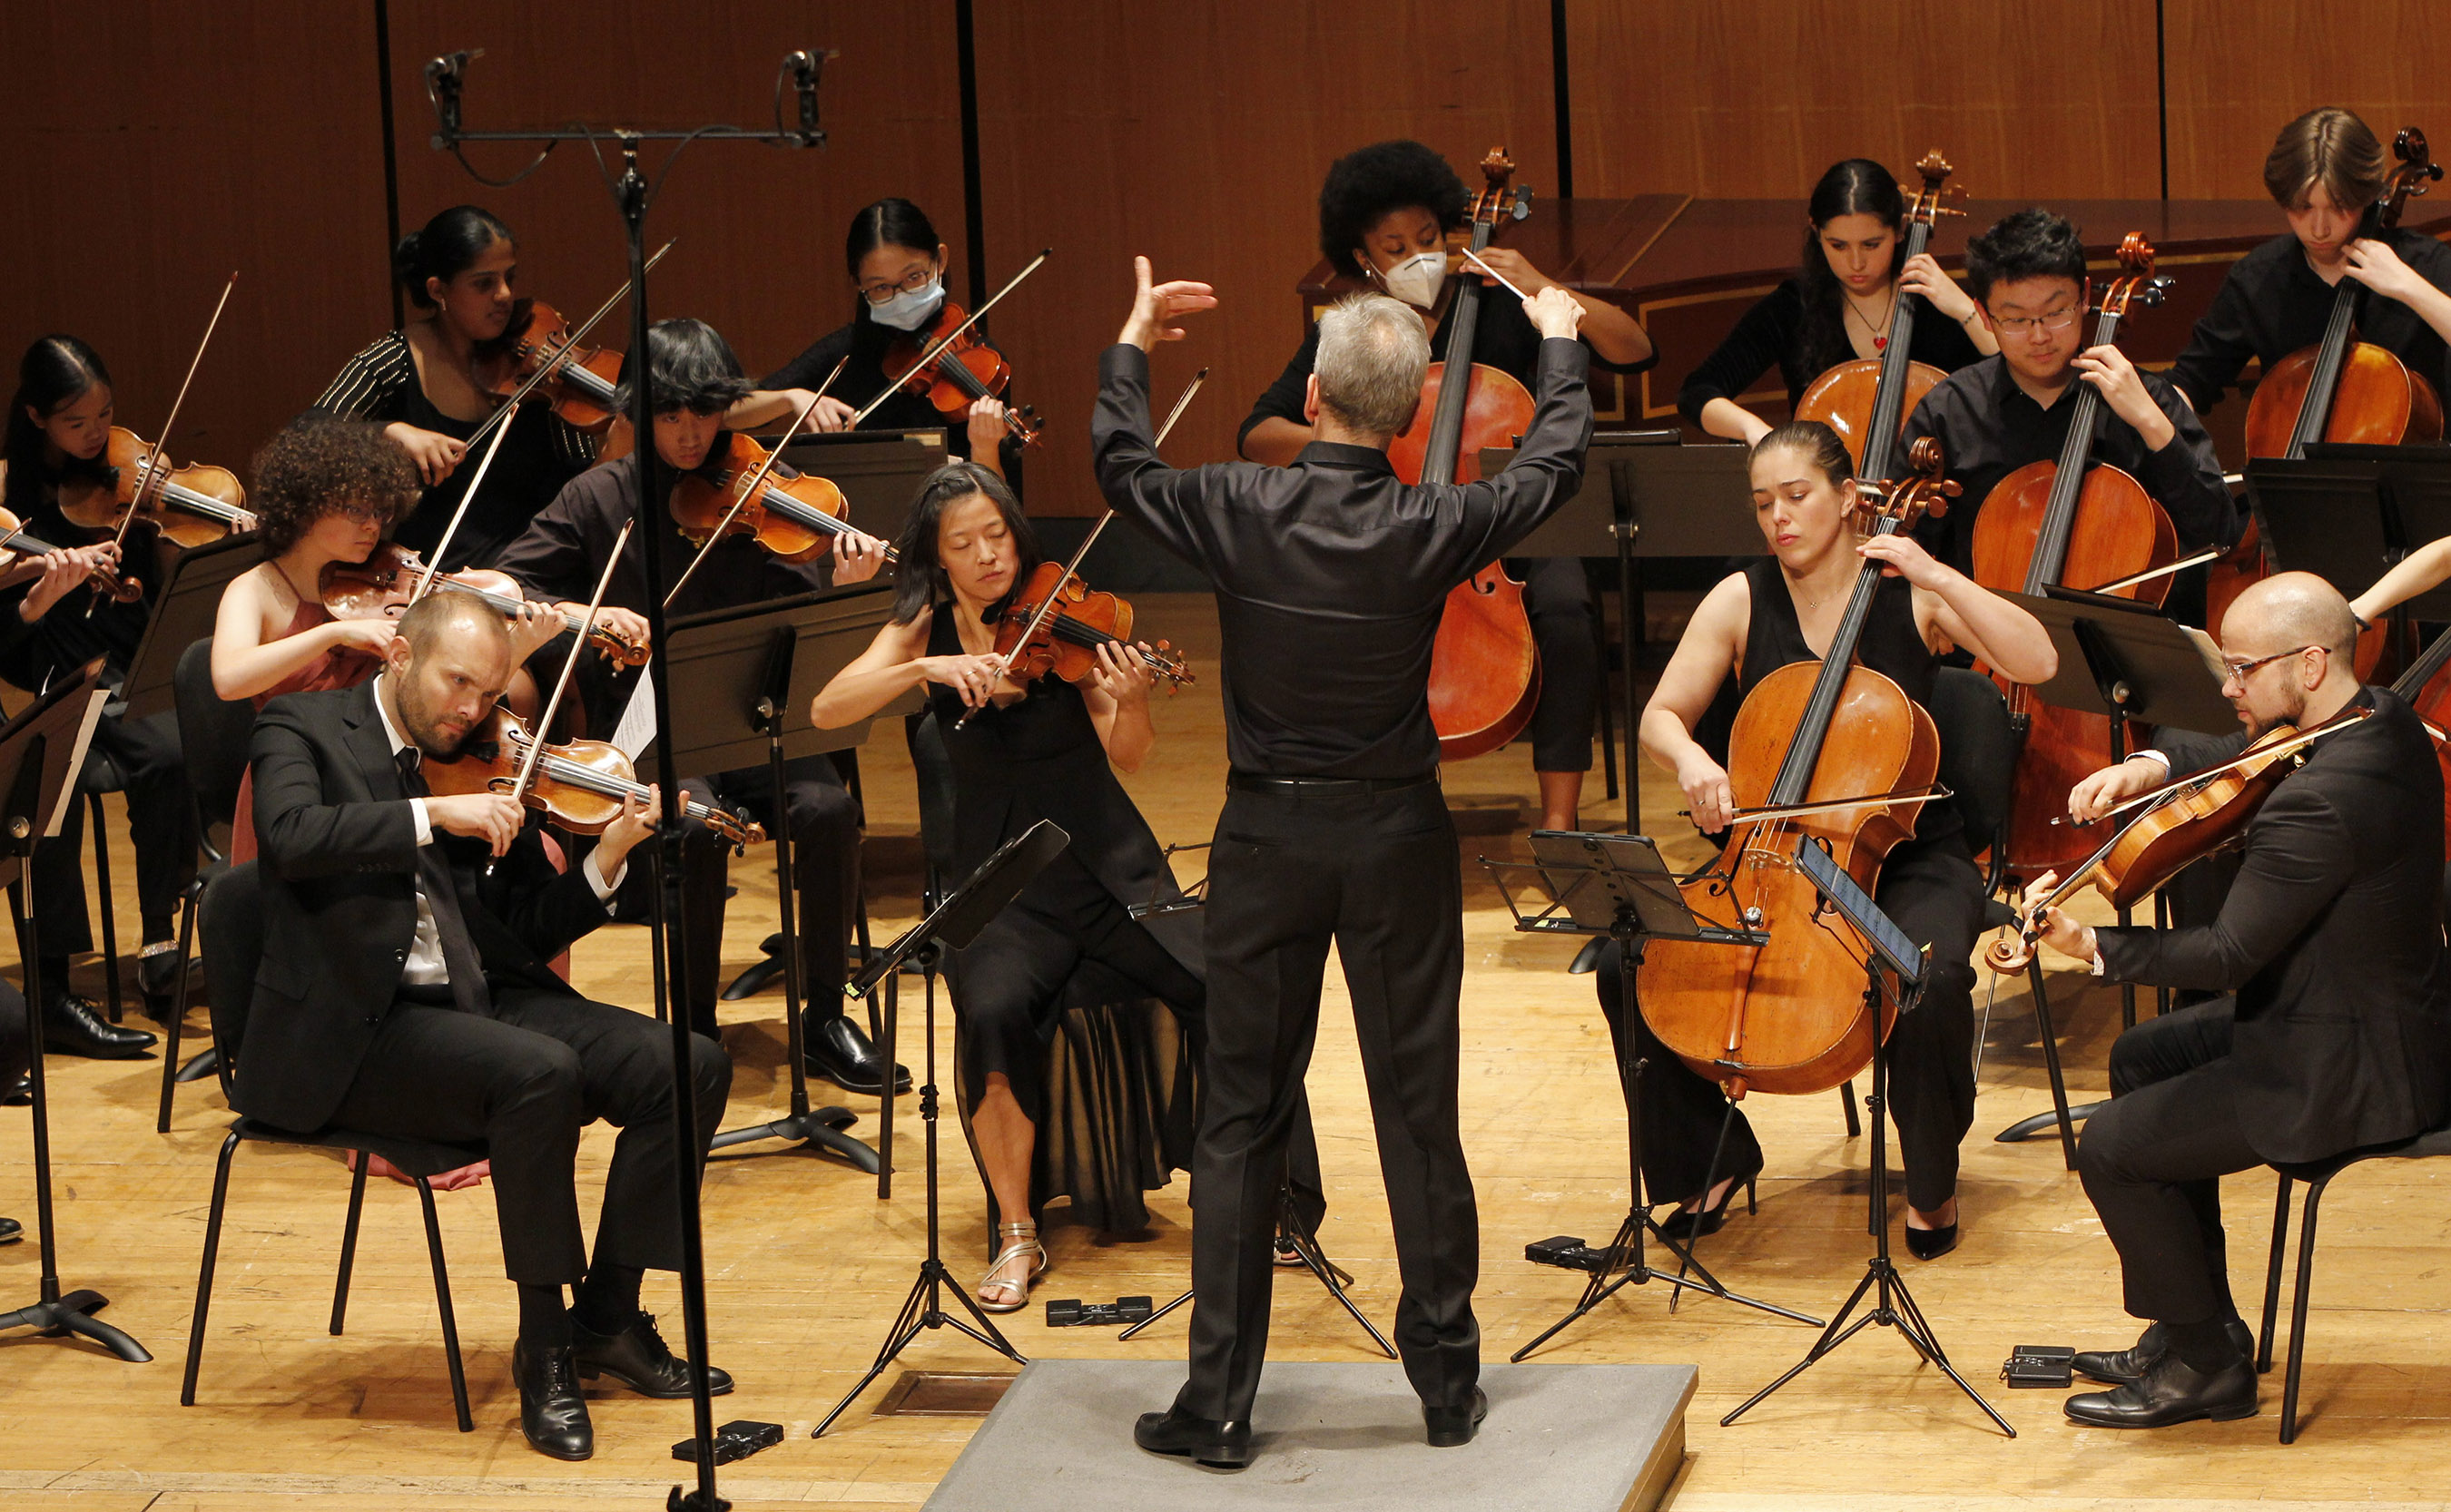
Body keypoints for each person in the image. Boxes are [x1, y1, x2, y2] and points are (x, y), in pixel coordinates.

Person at [1098, 258, 1592, 1468]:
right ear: (1412, 407)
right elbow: (1555, 465)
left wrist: (1131, 342)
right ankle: (1445, 1384)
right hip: (1393, 839)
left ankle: (1217, 1403)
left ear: (1311, 393)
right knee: (1415, 1106)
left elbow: (1119, 465)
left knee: (1240, 1117)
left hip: (1266, 836)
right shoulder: (1431, 521)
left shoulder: (1235, 501)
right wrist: (1562, 341)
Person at [237, 590, 732, 1461]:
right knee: (536, 1075)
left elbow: (521, 935)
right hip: (361, 1029)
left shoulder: (478, 760)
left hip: (476, 998)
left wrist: (610, 853)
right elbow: (290, 833)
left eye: (490, 692)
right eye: (457, 683)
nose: (473, 712)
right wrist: (435, 816)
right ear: (400, 657)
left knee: (685, 1066)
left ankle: (607, 1320)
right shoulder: (303, 729)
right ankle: (544, 1349)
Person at [1597, 420, 2056, 1257]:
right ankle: (1711, 1162)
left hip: (1908, 857)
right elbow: (1661, 717)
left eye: (1798, 496)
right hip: (1771, 852)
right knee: (1626, 960)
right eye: (1764, 502)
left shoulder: (1910, 593)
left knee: (1930, 975)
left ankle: (1932, 1186)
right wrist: (1695, 761)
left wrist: (1933, 569)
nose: (1779, 518)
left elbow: (2037, 662)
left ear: (1850, 500)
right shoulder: (1742, 598)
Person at [2004, 572, 2451, 1429]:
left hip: (2347, 1067)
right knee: (2139, 1058)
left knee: (2112, 1146)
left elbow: (2227, 954)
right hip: (2363, 1008)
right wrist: (2153, 765)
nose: (2227, 687)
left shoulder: (2321, 802)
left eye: (2242, 669)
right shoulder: (2381, 716)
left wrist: (2091, 945)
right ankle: (2192, 1326)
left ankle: (2210, 1370)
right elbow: (2255, 745)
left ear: (2310, 664)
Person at [812, 464, 1220, 1311]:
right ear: (939, 559)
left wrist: (1133, 700)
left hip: (1107, 864)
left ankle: (1252, 1195)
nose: (987, 556)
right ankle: (1017, 1232)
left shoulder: (1065, 611)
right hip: (1000, 886)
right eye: (963, 544)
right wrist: (923, 672)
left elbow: (1130, 755)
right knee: (991, 1011)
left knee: (1220, 985)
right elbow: (827, 708)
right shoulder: (922, 622)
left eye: (996, 535)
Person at [493, 318, 901, 1095]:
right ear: (639, 413)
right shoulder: (597, 496)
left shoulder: (760, 496)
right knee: (696, 826)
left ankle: (822, 1015)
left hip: (753, 719)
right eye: (671, 414)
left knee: (827, 809)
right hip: (653, 733)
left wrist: (847, 591)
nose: (690, 434)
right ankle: (695, 1032)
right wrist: (586, 618)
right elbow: (508, 586)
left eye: (705, 413)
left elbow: (800, 621)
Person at [1238, 141, 1654, 832]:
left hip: (1504, 529)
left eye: (1428, 238)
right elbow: (1257, 433)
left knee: (1566, 608)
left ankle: (1559, 821)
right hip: (1393, 521)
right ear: (1363, 258)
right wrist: (1358, 435)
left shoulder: (1497, 302)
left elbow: (1634, 350)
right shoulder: (1356, 330)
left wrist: (1545, 284)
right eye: (1394, 247)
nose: (1417, 256)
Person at [212, 415, 561, 863]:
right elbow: (228, 678)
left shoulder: (389, 584)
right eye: (356, 511)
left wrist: (519, 649)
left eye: (380, 512)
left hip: (388, 775)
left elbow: (446, 697)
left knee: (540, 857)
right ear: (307, 504)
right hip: (303, 781)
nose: (373, 527)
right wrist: (334, 633)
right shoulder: (255, 589)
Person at [0, 334, 189, 1049]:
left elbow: (167, 591)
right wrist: (38, 601)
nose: (96, 435)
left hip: (140, 671)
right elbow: (6, 648)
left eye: (105, 415)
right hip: (61, 683)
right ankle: (84, 976)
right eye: (77, 422)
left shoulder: (132, 483)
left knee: (183, 746)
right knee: (73, 777)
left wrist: (168, 530)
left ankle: (168, 938)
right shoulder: (16, 512)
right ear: (37, 419)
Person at [1896, 209, 2236, 582]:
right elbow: (1907, 548)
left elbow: (2219, 535)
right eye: (2016, 320)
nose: (2039, 336)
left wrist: (2151, 423)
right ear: (1984, 315)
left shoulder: (2145, 397)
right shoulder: (1950, 410)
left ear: (2085, 296)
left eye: (2057, 312)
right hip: (1980, 634)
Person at [1678, 157, 1997, 445]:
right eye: (1838, 245)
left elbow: (2014, 376)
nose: (1856, 263)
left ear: (1900, 230)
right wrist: (1756, 431)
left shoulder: (1936, 302)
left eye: (1871, 245)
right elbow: (1697, 392)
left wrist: (1963, 309)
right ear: (1816, 233)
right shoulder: (1793, 307)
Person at [2169, 107, 2451, 419]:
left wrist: (2411, 288)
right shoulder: (2259, 278)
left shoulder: (2423, 263)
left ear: (2367, 195)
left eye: (2338, 207)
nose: (2319, 229)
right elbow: (2192, 382)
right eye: (2302, 207)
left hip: (2418, 467)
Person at [760, 198, 1015, 481]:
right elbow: (730, 410)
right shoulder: (845, 353)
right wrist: (788, 397)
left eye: (914, 276)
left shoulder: (981, 362)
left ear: (940, 260)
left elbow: (1000, 511)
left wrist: (985, 448)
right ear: (860, 285)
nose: (901, 296)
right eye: (881, 286)